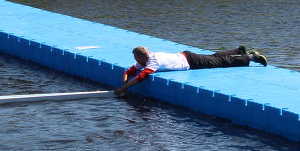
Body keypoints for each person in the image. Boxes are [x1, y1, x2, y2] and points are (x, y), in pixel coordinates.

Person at [114, 44, 268, 97]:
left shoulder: (153, 61)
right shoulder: (144, 59)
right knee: (212, 57)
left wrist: (123, 88)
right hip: (186, 55)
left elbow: (141, 77)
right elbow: (129, 71)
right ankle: (238, 50)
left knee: (219, 62)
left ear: (142, 56)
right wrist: (125, 85)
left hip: (190, 61)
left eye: (135, 57)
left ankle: (250, 57)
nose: (135, 61)